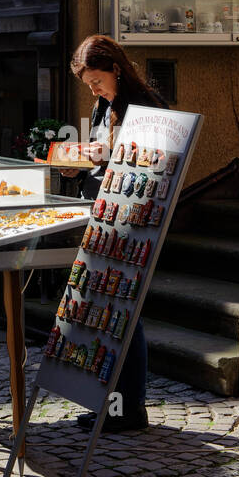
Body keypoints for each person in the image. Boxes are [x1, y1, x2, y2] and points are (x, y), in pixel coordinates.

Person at [65, 34, 166, 434]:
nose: (94, 90)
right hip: (105, 216)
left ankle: (131, 409)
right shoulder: (102, 108)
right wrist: (78, 165)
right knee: (107, 317)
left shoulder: (148, 109)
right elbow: (100, 156)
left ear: (116, 69)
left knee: (128, 313)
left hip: (135, 222)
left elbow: (152, 165)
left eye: (97, 81)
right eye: (88, 85)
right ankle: (108, 404)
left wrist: (105, 157)